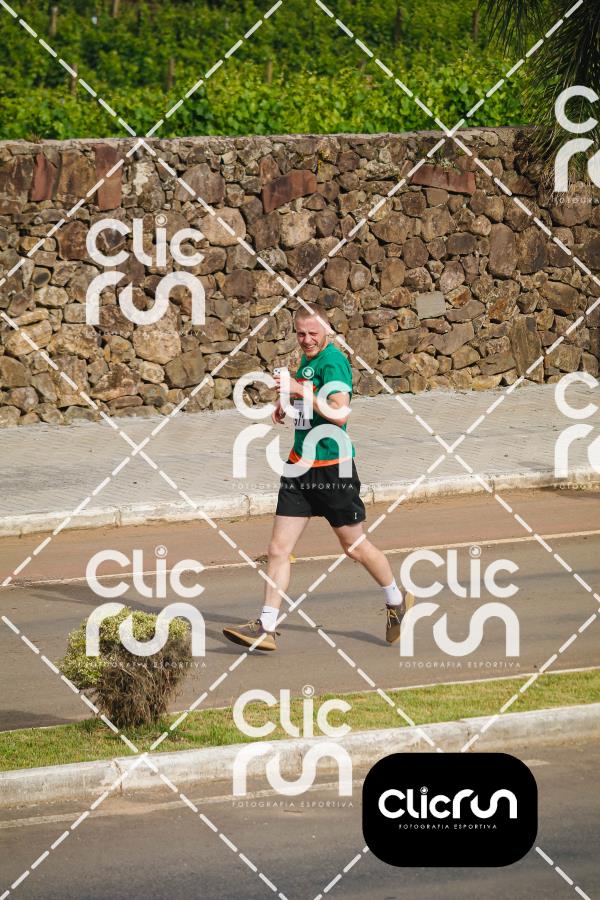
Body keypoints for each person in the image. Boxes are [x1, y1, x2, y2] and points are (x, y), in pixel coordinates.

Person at [223, 302, 414, 652]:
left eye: (313, 333)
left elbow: (339, 413)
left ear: (327, 330)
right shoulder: (308, 360)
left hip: (333, 469)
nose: (307, 339)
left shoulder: (334, 362)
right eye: (301, 334)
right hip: (299, 467)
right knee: (277, 549)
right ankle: (266, 627)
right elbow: (312, 402)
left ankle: (396, 600)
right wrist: (288, 404)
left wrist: (300, 392)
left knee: (353, 546)